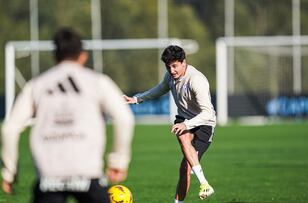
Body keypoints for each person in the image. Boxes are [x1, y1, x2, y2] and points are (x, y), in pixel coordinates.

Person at [1, 27, 135, 203]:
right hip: (87, 172)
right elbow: (124, 118)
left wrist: (9, 171)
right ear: (83, 55)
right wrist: (118, 161)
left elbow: (10, 128)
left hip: (49, 176)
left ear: (55, 56)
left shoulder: (37, 85)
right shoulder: (97, 82)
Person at [124, 45, 216, 202]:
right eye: (168, 66)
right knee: (183, 159)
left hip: (204, 123)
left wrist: (186, 125)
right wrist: (137, 99)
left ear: (183, 62)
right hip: (184, 119)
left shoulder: (196, 80)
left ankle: (204, 183)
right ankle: (202, 186)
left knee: (186, 167)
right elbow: (159, 89)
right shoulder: (170, 76)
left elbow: (207, 113)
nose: (172, 70)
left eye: (174, 66)